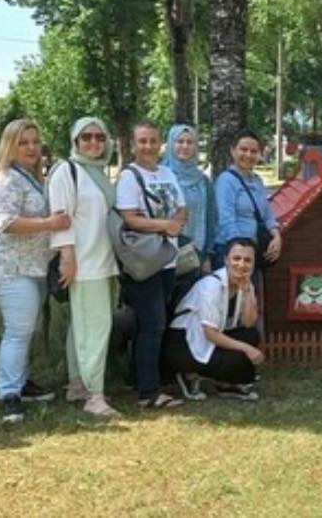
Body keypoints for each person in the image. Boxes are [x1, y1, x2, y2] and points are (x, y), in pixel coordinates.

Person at [0, 119, 68, 423]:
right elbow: (7, 222)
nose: (31, 148)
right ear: (9, 146)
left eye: (35, 142)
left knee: (26, 329)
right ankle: (9, 393)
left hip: (34, 265)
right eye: (23, 143)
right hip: (13, 266)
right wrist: (49, 224)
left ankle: (20, 382)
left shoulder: (31, 177)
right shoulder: (5, 179)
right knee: (18, 331)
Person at [49, 117, 121, 418]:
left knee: (82, 326)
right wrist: (67, 257)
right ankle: (95, 395)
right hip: (84, 264)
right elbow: (60, 218)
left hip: (104, 262)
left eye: (100, 137)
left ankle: (78, 383)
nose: (93, 143)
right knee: (96, 329)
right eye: (86, 137)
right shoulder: (66, 171)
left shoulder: (98, 172)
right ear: (75, 141)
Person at [117, 122, 186, 410]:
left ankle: (140, 377)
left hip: (167, 260)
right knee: (152, 325)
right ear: (134, 144)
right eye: (142, 141)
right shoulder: (129, 177)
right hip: (143, 261)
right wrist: (164, 226)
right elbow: (129, 218)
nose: (148, 146)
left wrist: (176, 222)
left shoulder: (167, 173)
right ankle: (149, 392)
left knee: (155, 323)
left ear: (160, 144)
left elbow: (181, 207)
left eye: (153, 141)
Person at [164, 238, 263, 401]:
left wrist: (247, 293)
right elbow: (210, 333)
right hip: (183, 344)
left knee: (252, 335)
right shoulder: (211, 286)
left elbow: (248, 323)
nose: (241, 264)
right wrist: (246, 349)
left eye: (247, 260)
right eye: (236, 258)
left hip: (208, 338)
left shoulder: (245, 283)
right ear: (226, 260)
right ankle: (189, 375)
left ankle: (222, 381)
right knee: (240, 361)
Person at [213, 130, 282, 269]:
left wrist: (276, 237)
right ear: (233, 151)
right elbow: (226, 219)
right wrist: (241, 249)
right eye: (243, 150)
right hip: (231, 252)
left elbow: (267, 214)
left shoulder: (257, 181)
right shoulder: (226, 181)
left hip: (253, 250)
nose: (248, 155)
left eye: (253, 151)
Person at [164, 124, 215, 271]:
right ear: (171, 144)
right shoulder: (161, 176)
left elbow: (210, 220)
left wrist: (207, 255)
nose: (185, 146)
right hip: (164, 255)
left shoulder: (203, 181)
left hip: (196, 256)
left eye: (190, 142)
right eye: (180, 141)